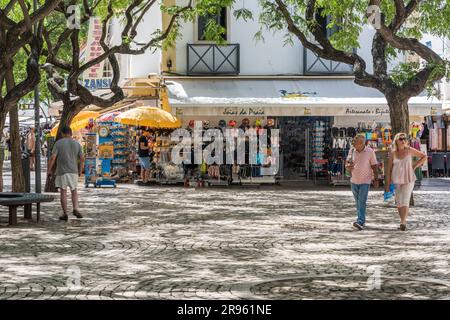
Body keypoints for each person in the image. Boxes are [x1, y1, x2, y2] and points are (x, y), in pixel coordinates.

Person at [385, 132, 426, 231]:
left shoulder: (409, 150)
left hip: (408, 178)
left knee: (405, 200)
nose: (403, 140)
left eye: (404, 139)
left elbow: (424, 156)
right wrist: (387, 183)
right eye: (401, 139)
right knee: (399, 201)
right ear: (396, 141)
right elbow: (389, 168)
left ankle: (403, 221)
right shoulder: (393, 152)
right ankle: (401, 220)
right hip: (396, 179)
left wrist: (415, 166)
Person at [47, 126, 84, 220]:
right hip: (73, 171)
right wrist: (80, 170)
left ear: (63, 133)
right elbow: (82, 159)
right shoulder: (77, 144)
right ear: (71, 133)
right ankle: (75, 208)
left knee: (63, 191)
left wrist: (49, 170)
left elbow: (53, 158)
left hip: (62, 171)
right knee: (74, 190)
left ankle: (65, 213)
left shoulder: (58, 143)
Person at [345, 134, 379, 230]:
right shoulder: (352, 150)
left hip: (365, 181)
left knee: (361, 201)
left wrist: (376, 179)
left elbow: (374, 166)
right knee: (358, 202)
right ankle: (360, 219)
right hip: (354, 180)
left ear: (361, 143)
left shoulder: (370, 151)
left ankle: (360, 220)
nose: (353, 144)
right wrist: (347, 166)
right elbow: (347, 163)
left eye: (355, 142)